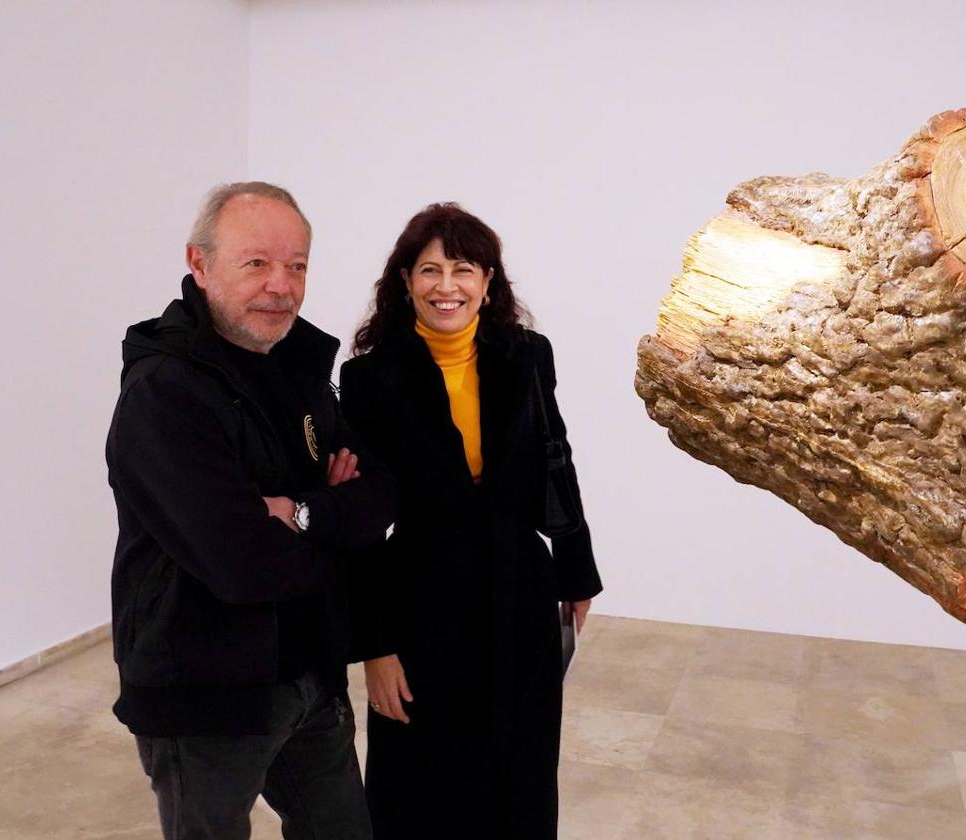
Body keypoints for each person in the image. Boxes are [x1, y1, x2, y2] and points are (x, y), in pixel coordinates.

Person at [105, 181, 395, 840]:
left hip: (308, 675)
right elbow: (242, 565)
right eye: (256, 263)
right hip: (203, 692)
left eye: (296, 266)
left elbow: (378, 492)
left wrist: (296, 513)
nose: (282, 286)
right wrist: (333, 514)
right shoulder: (164, 395)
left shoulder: (297, 369)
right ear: (199, 264)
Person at [339, 203, 602, 839]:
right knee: (420, 779)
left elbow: (554, 458)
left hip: (519, 587)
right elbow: (363, 525)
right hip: (420, 595)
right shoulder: (369, 377)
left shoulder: (528, 356)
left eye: (463, 269)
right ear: (405, 282)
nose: (446, 286)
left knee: (521, 770)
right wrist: (374, 647)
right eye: (429, 270)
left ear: (488, 280)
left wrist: (576, 571)